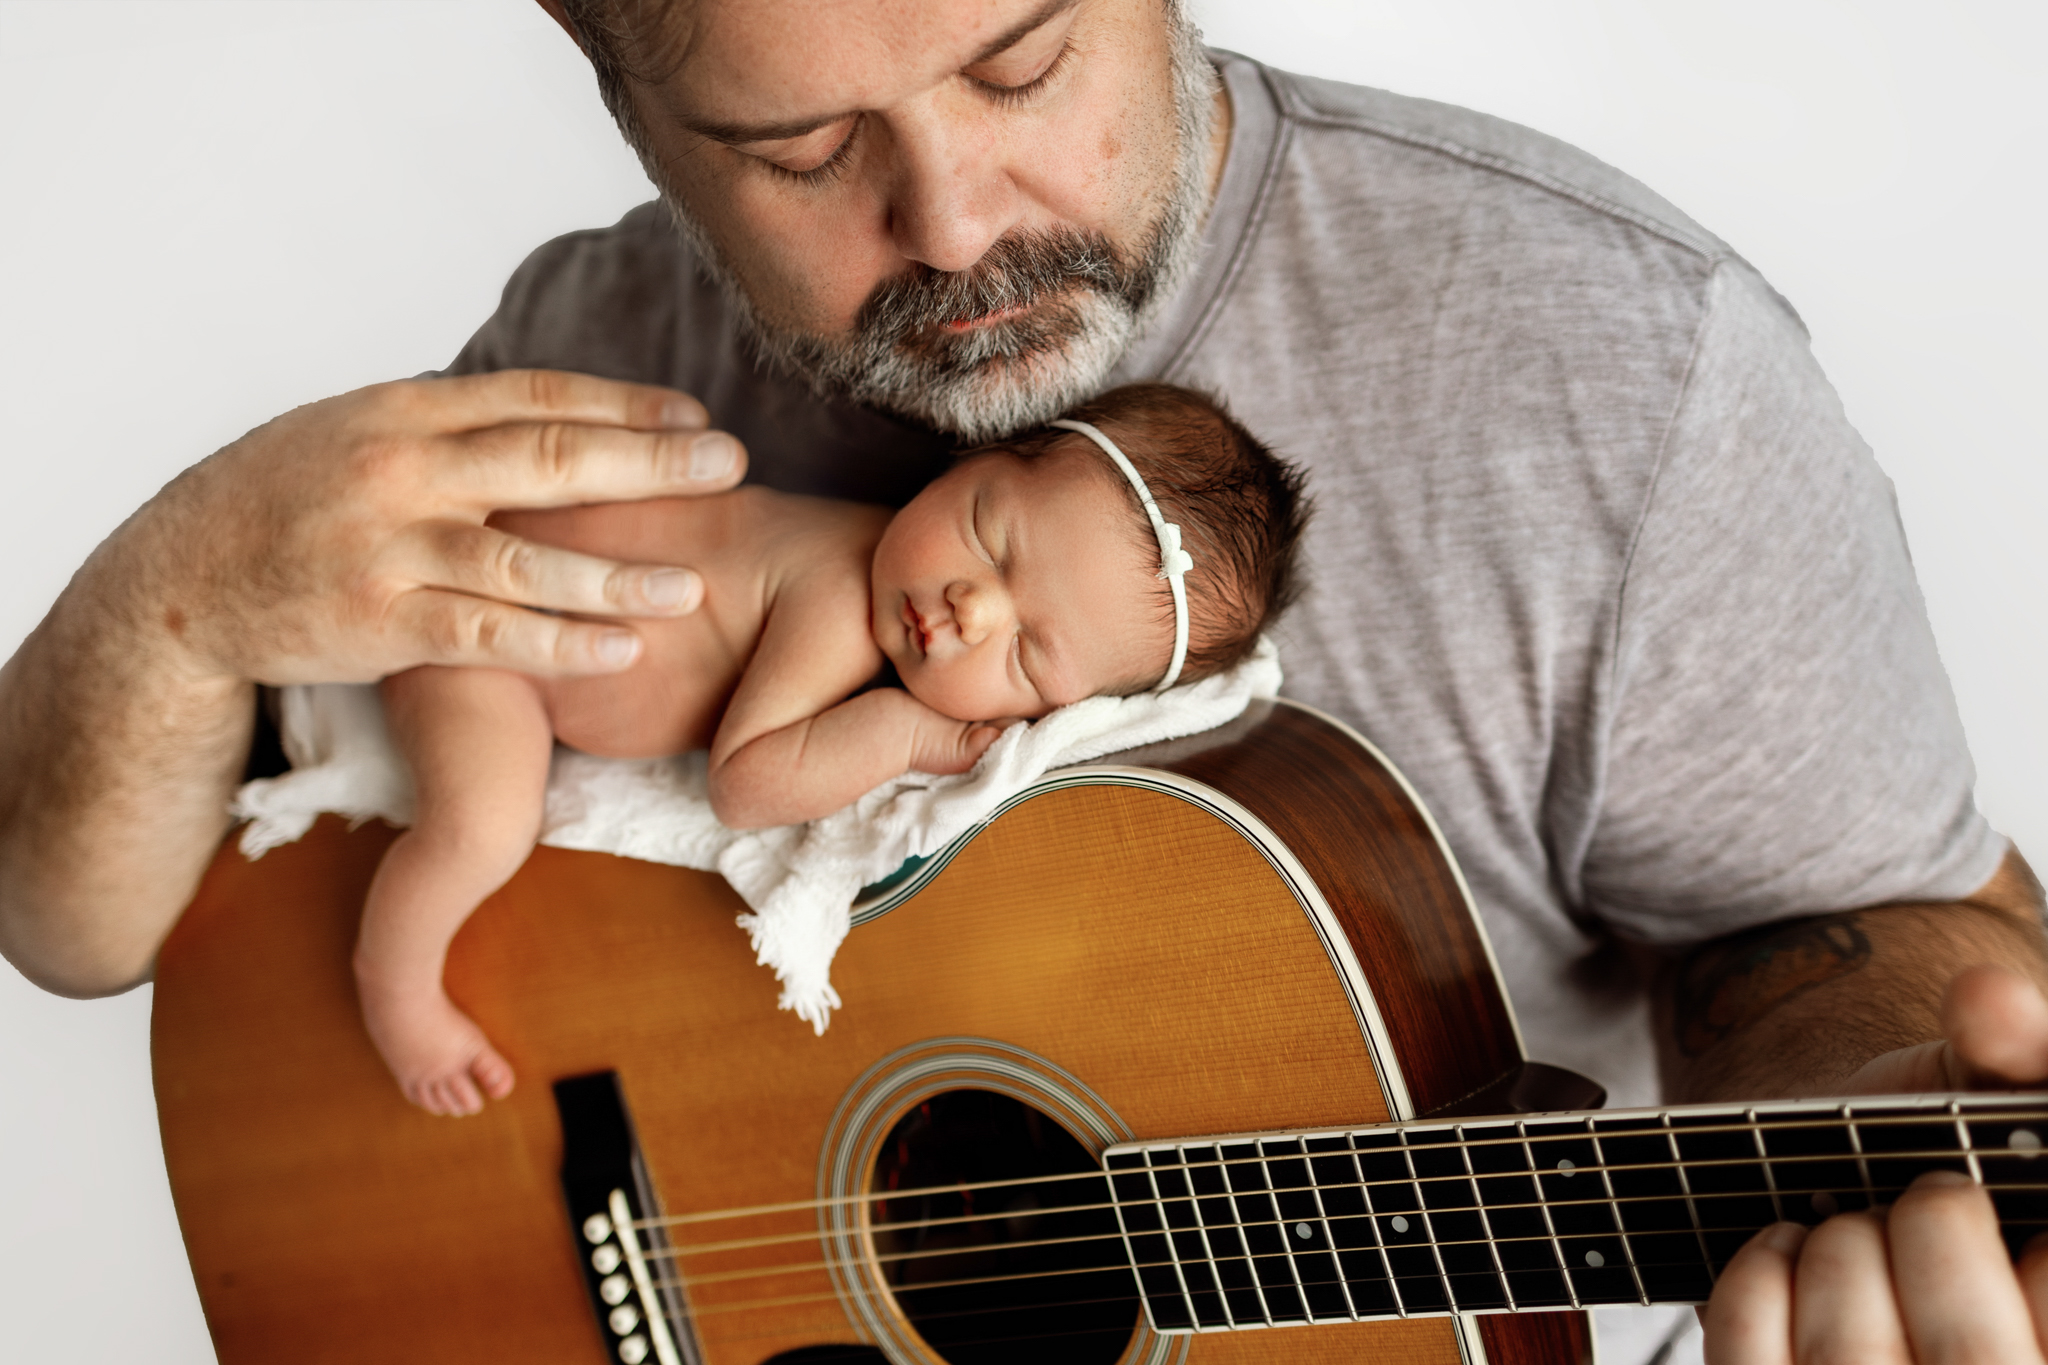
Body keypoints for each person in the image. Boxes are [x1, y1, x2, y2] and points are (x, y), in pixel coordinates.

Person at [0, 0, 2043, 1359]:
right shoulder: (593, 354)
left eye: (1018, 58)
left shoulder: (1625, 368)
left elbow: (1856, 927)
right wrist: (174, 604)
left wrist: (1889, 1135)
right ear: (607, 80)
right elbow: (87, 924)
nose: (959, 222)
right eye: (795, 143)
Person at [360, 382, 1306, 1115]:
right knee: (485, 825)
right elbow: (745, 784)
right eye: (986, 533)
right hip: (482, 635)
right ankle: (393, 986)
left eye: (1024, 654)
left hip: (514, 604)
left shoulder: (888, 585)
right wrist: (910, 730)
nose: (971, 608)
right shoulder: (836, 588)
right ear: (973, 457)